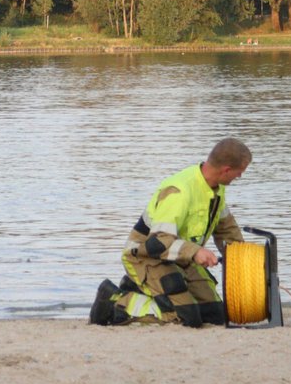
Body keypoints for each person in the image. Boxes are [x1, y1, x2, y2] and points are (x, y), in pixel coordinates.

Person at [90, 138, 251, 327]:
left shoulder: (217, 189)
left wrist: (244, 259)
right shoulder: (179, 191)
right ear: (226, 170)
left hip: (180, 258)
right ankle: (114, 302)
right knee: (186, 318)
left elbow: (226, 229)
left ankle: (142, 289)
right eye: (239, 172)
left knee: (215, 315)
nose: (239, 176)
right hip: (145, 256)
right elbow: (158, 242)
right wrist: (196, 252)